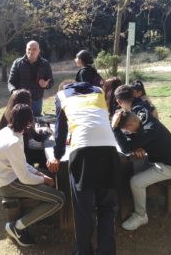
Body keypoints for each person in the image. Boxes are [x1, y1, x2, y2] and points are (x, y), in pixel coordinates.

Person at [48, 81, 119, 255]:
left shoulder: (61, 96)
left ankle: (83, 250)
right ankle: (106, 250)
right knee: (107, 206)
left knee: (83, 208)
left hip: (83, 151)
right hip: (109, 149)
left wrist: (57, 155)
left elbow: (60, 130)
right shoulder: (98, 91)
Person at [0, 104, 64, 247]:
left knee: (49, 175)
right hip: (9, 183)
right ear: (29, 122)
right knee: (59, 199)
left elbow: (21, 163)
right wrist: (43, 179)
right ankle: (17, 226)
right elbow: (24, 178)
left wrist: (39, 172)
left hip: (7, 176)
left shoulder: (6, 131)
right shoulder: (14, 142)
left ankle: (33, 217)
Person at [112, 110, 171, 231]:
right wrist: (138, 144)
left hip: (169, 167)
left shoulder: (149, 130)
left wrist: (115, 129)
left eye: (126, 130)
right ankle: (133, 202)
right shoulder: (142, 117)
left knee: (136, 182)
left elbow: (126, 148)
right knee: (134, 168)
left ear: (131, 124)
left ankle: (141, 216)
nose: (127, 132)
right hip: (158, 160)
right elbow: (134, 140)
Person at [0, 89, 51, 168]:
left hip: (9, 154)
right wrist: (47, 132)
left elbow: (30, 133)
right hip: (20, 154)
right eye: (30, 99)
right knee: (45, 155)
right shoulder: (22, 115)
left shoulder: (7, 113)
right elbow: (37, 137)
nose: (31, 101)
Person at [8, 40, 54, 116]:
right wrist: (14, 92)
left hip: (37, 100)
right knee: (20, 123)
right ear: (26, 50)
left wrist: (46, 85)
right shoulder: (17, 63)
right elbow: (10, 82)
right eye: (29, 49)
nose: (31, 51)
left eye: (34, 49)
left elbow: (51, 82)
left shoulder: (45, 64)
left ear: (39, 51)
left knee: (35, 122)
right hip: (20, 100)